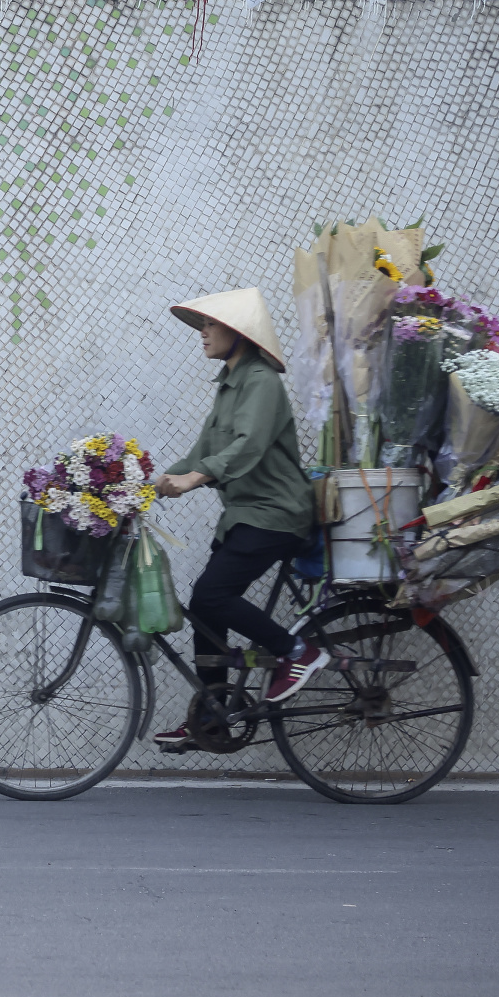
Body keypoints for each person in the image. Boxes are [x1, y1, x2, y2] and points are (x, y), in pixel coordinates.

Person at [151, 289, 324, 744]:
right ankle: (212, 715)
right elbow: (201, 453)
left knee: (212, 595)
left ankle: (297, 651)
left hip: (276, 514)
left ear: (238, 332)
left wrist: (194, 479)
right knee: (205, 608)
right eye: (203, 325)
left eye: (211, 324)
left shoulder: (261, 381)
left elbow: (248, 445)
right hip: (245, 516)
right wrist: (144, 486)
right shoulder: (228, 385)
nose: (203, 332)